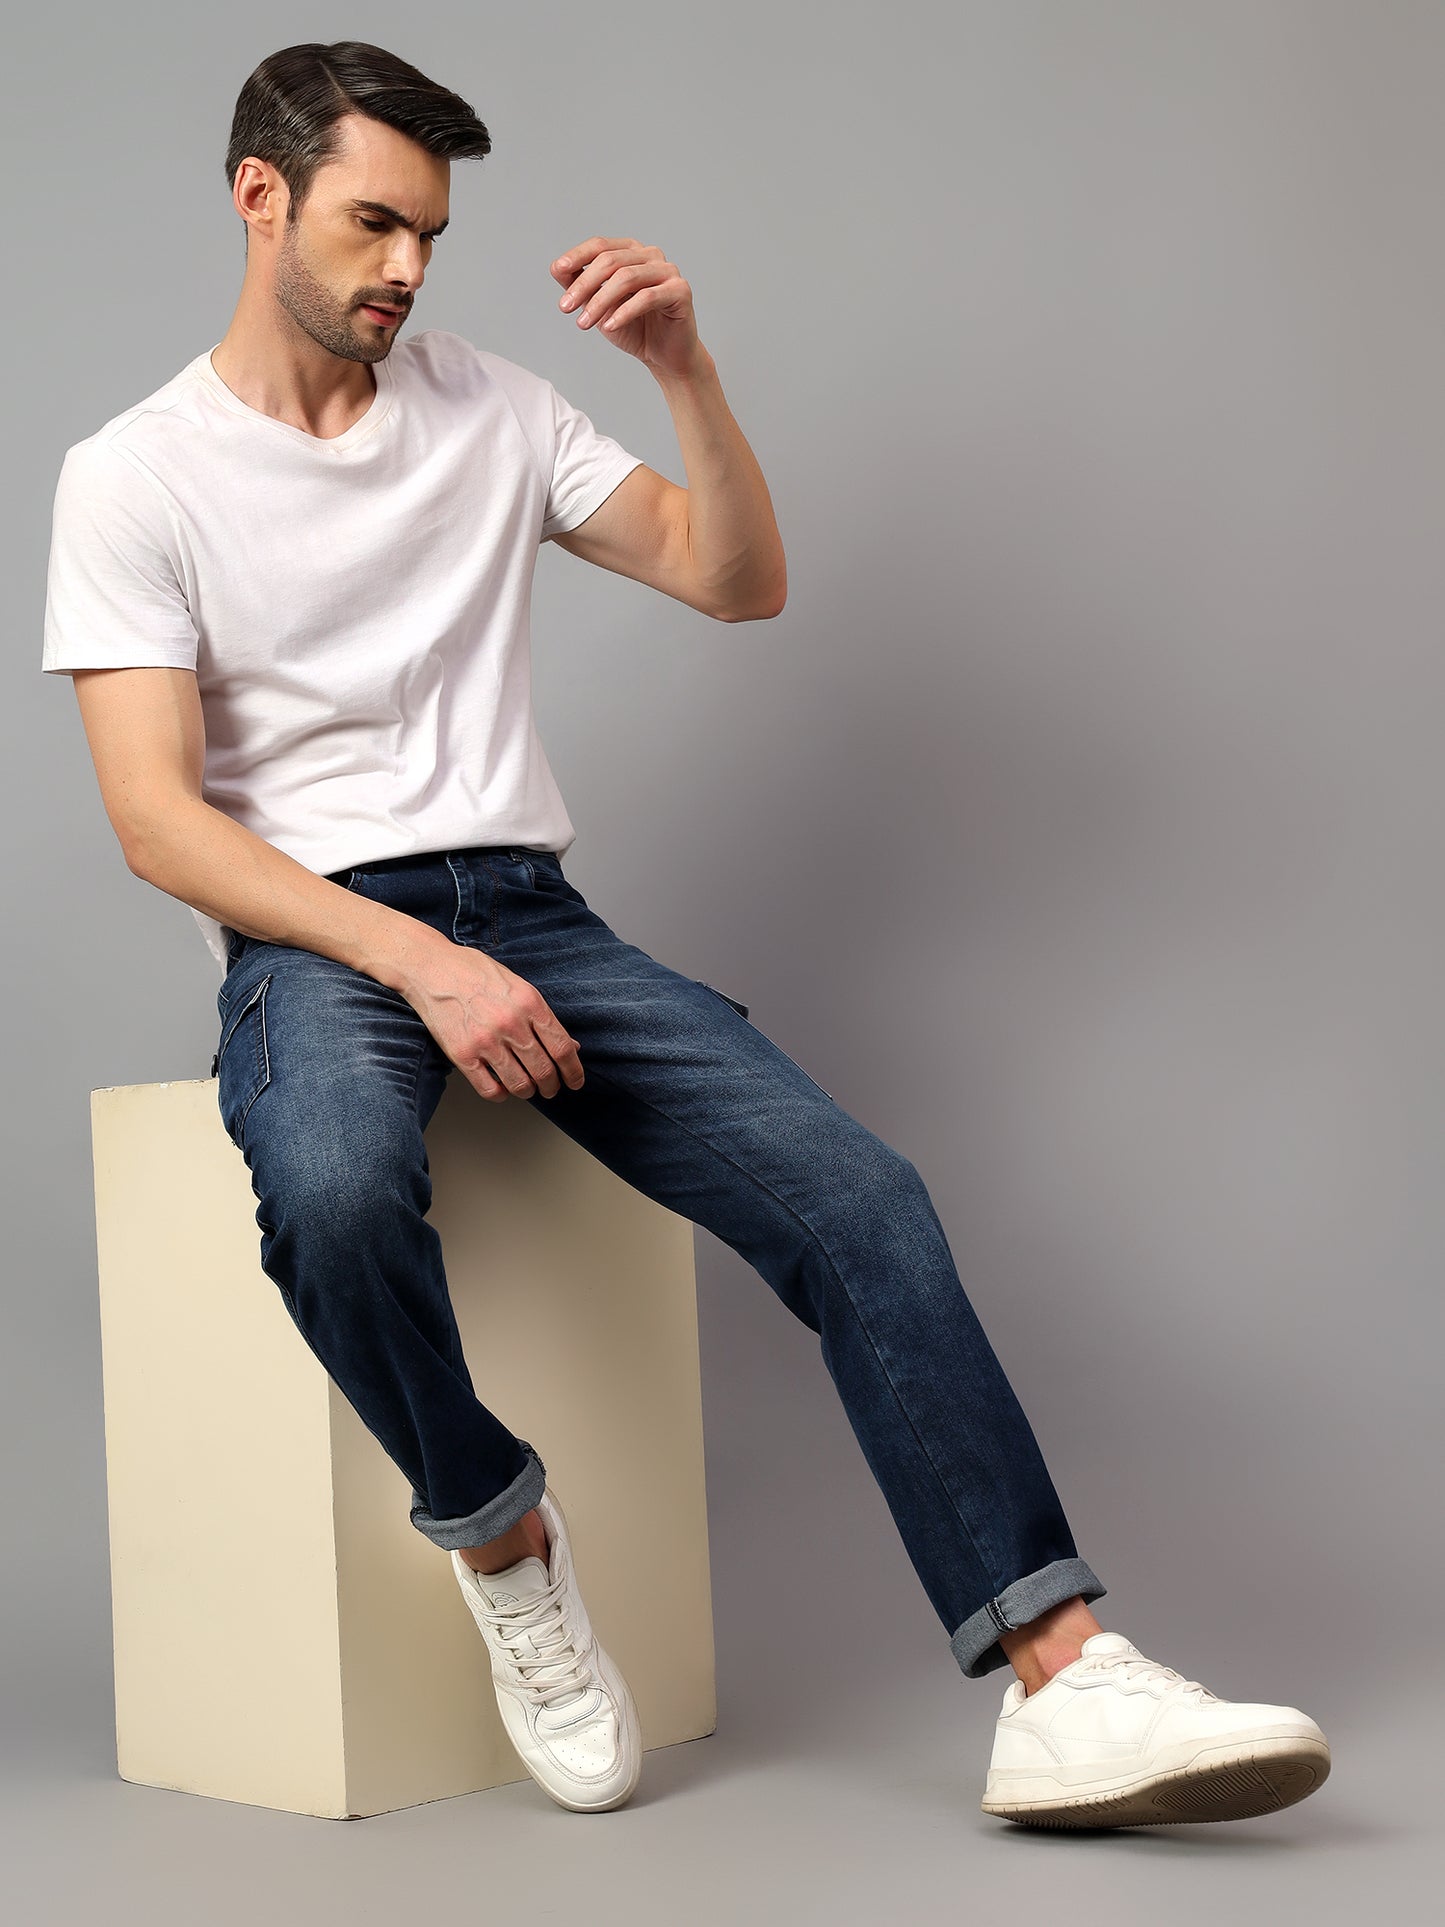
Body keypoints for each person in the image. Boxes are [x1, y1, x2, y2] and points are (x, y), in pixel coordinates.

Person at [41, 39, 1330, 1827]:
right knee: (330, 1193)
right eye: (371, 223)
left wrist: (682, 371)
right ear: (260, 197)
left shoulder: (493, 409)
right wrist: (415, 962)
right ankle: (502, 1540)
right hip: (317, 940)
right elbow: (156, 820)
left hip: (529, 908)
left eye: (428, 233)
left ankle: (1066, 1678)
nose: (406, 266)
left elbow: (736, 579)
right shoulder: (134, 475)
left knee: (862, 1199)